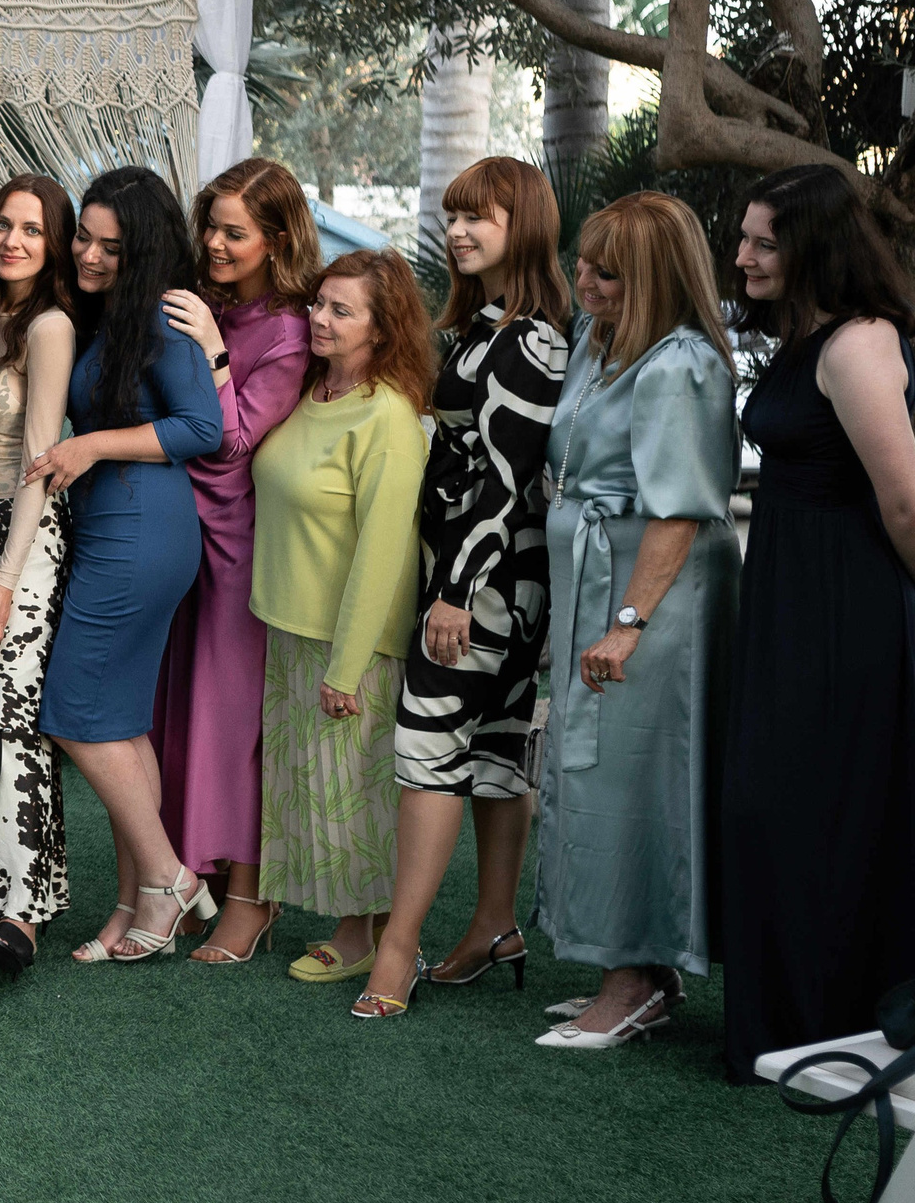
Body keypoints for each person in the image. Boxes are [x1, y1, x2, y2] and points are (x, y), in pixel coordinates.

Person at [720, 166, 915, 1078]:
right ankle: (800, 1023)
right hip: (800, 592)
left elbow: (907, 501)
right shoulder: (810, 338)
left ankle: (845, 1026)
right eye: (745, 236)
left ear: (817, 249)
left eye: (764, 241)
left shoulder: (859, 342)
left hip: (842, 608)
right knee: (783, 803)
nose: (744, 255)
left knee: (816, 803)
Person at [356, 159, 571, 1019]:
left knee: (427, 749)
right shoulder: (486, 326)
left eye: (480, 216)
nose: (460, 231)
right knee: (495, 748)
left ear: (525, 226)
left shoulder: (527, 339)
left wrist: (453, 591)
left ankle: (398, 948)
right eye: (455, 216)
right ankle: (492, 926)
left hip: (484, 584)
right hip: (490, 579)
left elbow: (506, 483)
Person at [531, 192, 740, 1049]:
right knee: (598, 770)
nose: (582, 279)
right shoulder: (599, 340)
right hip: (599, 576)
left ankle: (633, 980)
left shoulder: (679, 365)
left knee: (633, 776)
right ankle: (635, 969)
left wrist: (627, 622)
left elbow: (679, 512)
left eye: (605, 272)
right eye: (582, 261)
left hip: (654, 597)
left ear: (652, 278)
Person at [29, 167, 224, 963]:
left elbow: (202, 427)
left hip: (141, 528)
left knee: (74, 712)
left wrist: (90, 443)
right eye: (85, 237)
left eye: (112, 246)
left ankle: (171, 876)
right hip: (125, 526)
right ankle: (141, 903)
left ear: (141, 252)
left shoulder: (162, 319)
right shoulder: (110, 317)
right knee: (120, 721)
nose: (90, 254)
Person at [146, 157, 318, 966]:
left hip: (241, 545)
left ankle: (251, 899)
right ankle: (190, 875)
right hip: (181, 531)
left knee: (231, 727)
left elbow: (234, 436)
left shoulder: (286, 330)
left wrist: (215, 350)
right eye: (209, 226)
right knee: (181, 718)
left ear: (277, 238)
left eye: (234, 231)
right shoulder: (197, 301)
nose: (213, 242)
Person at [248, 248, 433, 988]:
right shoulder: (314, 391)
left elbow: (385, 551)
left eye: (341, 310)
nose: (319, 319)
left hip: (346, 642)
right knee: (315, 794)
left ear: (382, 327)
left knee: (352, 798)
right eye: (318, 304)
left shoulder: (386, 414)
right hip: (290, 626)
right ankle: (354, 925)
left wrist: (347, 665)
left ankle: (363, 935)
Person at [0, 175, 77, 973]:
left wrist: (6, 572)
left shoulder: (51, 325)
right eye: (3, 225)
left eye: (31, 230)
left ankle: (22, 910)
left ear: (54, 242)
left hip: (19, 535)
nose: (12, 241)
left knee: (14, 709)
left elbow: (38, 462)